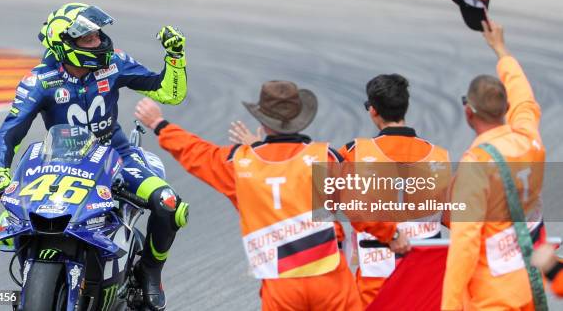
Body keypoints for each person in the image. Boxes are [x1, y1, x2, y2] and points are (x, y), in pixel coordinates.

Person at [135, 80, 410, 310]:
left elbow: (197, 154)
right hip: (329, 277)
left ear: (263, 122)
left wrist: (160, 124)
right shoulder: (323, 158)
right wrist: (392, 236)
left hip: (280, 283)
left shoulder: (241, 164)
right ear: (300, 119)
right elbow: (361, 208)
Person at [0, 2, 189, 310]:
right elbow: (8, 133)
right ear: (63, 42)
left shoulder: (114, 63)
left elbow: (168, 93)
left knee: (169, 205)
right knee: (20, 216)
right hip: (59, 160)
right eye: (88, 38)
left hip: (116, 155)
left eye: (97, 35)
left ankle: (149, 273)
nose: (98, 42)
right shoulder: (39, 81)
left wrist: (174, 58)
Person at [442, 20, 547, 311]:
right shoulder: (529, 140)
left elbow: (464, 244)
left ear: (467, 113)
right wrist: (502, 51)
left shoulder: (475, 166)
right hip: (530, 284)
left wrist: (450, 306)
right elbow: (525, 100)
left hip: (494, 297)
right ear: (505, 110)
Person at [334, 74, 451, 307]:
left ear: (372, 111)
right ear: (405, 107)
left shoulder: (351, 154)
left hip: (375, 275)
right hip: (424, 275)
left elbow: (323, 211)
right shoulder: (439, 156)